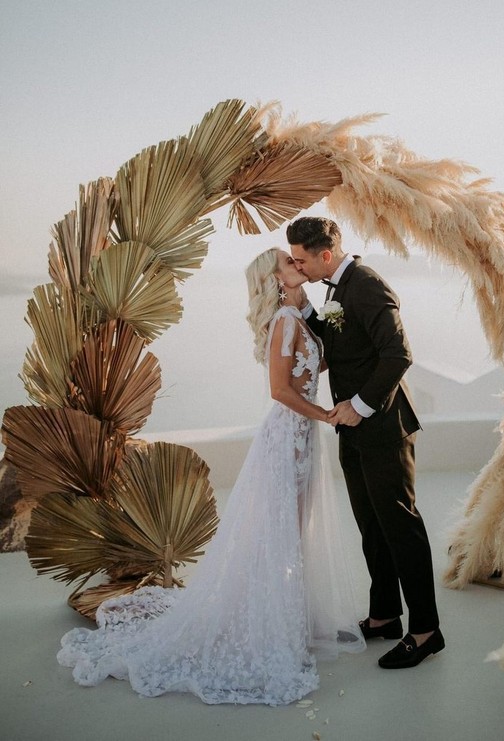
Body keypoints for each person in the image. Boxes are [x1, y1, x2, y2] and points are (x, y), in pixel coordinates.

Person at [57, 247, 365, 705]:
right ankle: (270, 623)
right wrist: (324, 414)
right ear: (275, 279)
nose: (298, 266)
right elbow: (280, 390)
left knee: (295, 531)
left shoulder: (297, 317)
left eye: (297, 261)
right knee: (277, 532)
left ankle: (288, 617)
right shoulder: (282, 321)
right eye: (288, 263)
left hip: (303, 439)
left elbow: (311, 367)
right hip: (287, 437)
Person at [288, 216, 444, 669]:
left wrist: (359, 404)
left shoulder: (368, 285)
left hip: (383, 427)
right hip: (353, 429)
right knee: (371, 526)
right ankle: (384, 617)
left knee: (401, 528)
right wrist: (302, 307)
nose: (296, 267)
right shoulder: (335, 288)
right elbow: (341, 344)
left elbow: (399, 354)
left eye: (301, 260)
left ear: (325, 255)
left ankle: (426, 630)